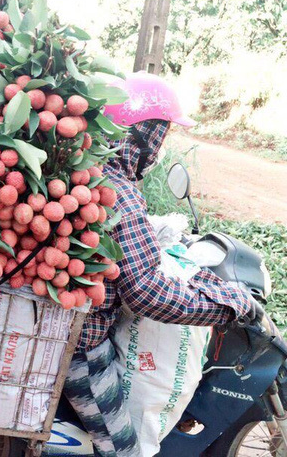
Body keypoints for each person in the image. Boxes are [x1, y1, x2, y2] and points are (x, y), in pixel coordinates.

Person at [62, 72, 261, 456]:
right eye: (161, 134)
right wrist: (227, 307)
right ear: (141, 133)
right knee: (126, 451)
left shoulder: (102, 174)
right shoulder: (117, 191)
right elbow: (147, 293)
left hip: (80, 330)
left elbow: (125, 248)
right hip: (82, 350)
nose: (160, 147)